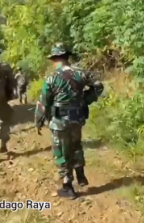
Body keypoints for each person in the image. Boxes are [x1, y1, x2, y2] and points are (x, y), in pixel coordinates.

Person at [34, 42, 104, 199]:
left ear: (54, 59)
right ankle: (80, 174)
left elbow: (44, 102)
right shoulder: (81, 73)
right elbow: (98, 86)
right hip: (77, 118)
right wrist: (85, 99)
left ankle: (68, 186)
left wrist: (39, 120)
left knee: (61, 151)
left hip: (59, 121)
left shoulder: (52, 78)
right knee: (76, 145)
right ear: (67, 57)